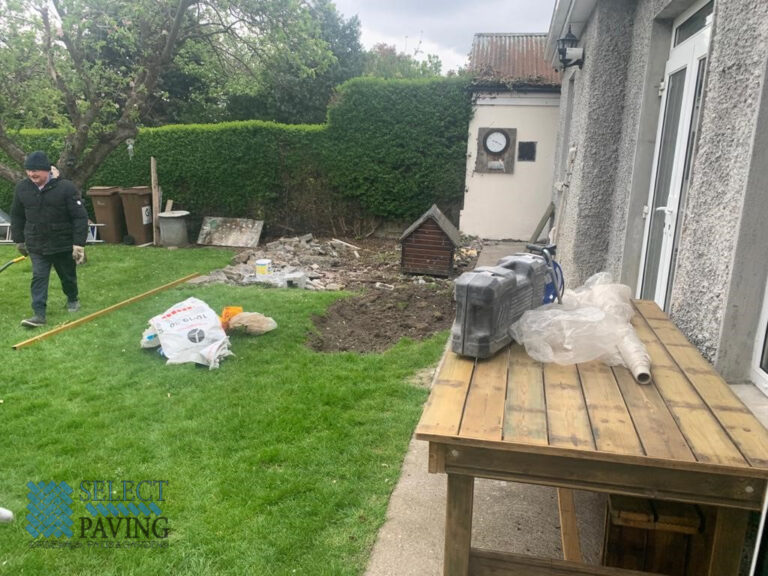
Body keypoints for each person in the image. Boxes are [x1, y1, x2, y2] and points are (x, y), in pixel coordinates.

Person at [10, 151, 88, 328]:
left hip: (62, 242)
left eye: (35, 170)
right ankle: (39, 314)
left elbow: (79, 217)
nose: (31, 174)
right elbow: (17, 216)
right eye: (28, 170)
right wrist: (19, 240)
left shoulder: (66, 188)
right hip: (36, 243)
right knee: (39, 277)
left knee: (67, 276)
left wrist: (78, 244)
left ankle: (72, 298)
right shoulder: (22, 188)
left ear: (47, 170)